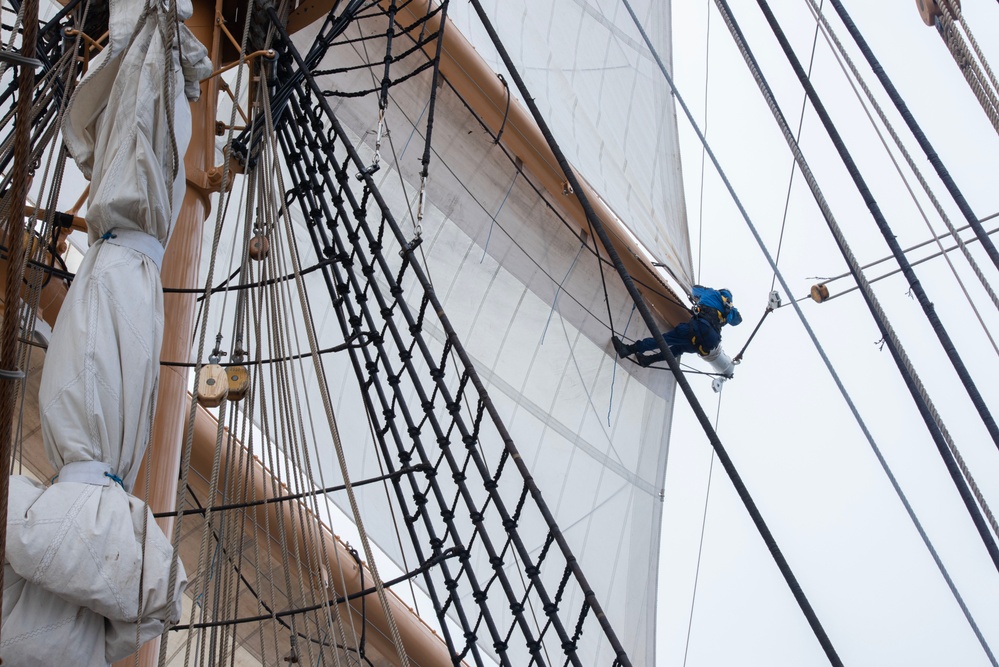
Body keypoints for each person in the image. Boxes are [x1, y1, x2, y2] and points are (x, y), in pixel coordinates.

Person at [612, 285, 742, 367]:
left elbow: (694, 290)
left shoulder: (712, 293)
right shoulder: (731, 311)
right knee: (677, 350)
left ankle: (628, 349)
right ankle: (648, 360)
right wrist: (732, 310)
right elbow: (737, 321)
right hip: (706, 345)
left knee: (662, 340)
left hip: (696, 329)